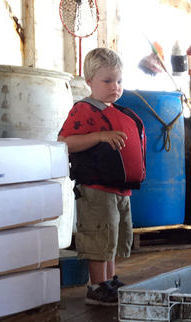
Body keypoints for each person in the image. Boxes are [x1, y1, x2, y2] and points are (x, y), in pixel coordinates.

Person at [58, 47, 146, 306]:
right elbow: (64, 142)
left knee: (113, 237)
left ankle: (110, 280)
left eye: (118, 81)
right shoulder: (84, 110)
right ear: (89, 82)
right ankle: (96, 286)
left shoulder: (119, 112)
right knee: (99, 237)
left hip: (120, 189)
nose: (114, 87)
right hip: (96, 188)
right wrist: (99, 136)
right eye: (107, 81)